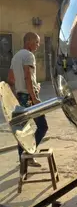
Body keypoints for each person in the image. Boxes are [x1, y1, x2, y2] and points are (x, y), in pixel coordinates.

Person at [7, 32, 48, 167]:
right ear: (29, 41)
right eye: (36, 42)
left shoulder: (15, 57)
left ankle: (23, 160)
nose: (38, 45)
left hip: (20, 96)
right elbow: (27, 77)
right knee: (43, 126)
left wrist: (16, 96)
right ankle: (29, 155)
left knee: (22, 131)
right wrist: (34, 97)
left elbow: (11, 80)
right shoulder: (29, 56)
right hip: (29, 98)